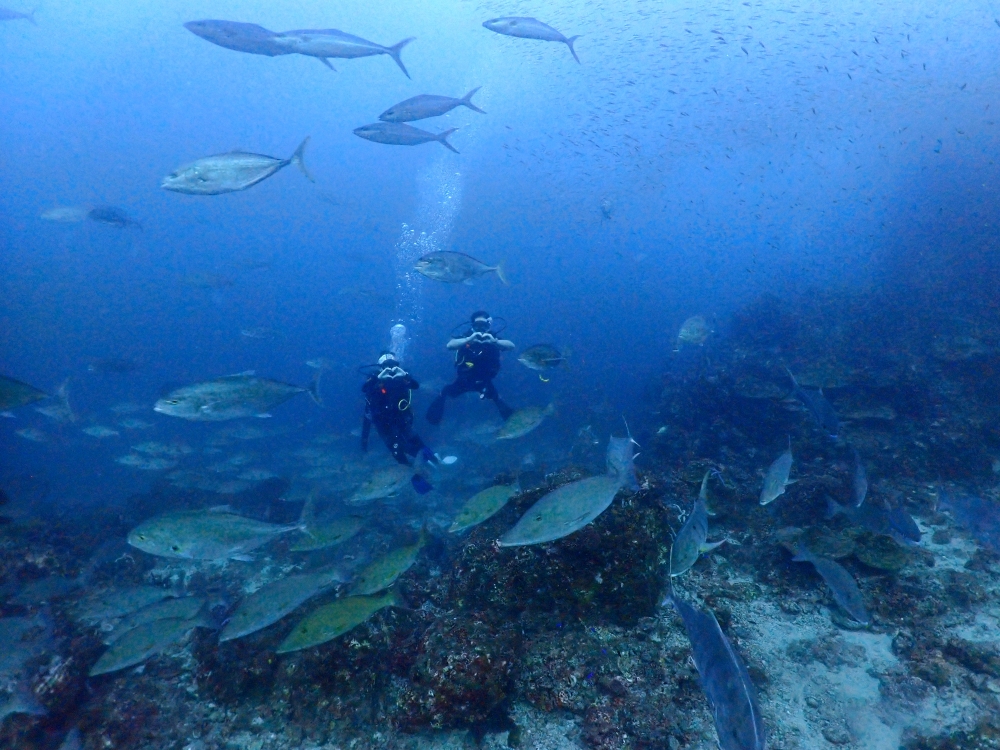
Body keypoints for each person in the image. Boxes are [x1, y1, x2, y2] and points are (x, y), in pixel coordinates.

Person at [426, 311, 515, 425]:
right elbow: (450, 345)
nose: (480, 328)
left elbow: (511, 346)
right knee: (446, 391)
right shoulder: (467, 337)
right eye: (477, 325)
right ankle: (433, 418)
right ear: (472, 326)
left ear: (489, 325)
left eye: (483, 325)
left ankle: (512, 422)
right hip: (465, 379)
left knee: (496, 398)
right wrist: (468, 340)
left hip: (485, 380)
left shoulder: (493, 338)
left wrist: (495, 341)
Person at [362, 353, 438, 473]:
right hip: (382, 422)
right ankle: (409, 472)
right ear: (380, 366)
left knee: (415, 440)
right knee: (395, 448)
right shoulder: (375, 377)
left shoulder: (401, 376)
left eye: (393, 365)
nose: (390, 369)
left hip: (400, 417)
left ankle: (434, 461)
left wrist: (405, 376)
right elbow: (365, 389)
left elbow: (415, 385)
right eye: (386, 366)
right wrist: (378, 380)